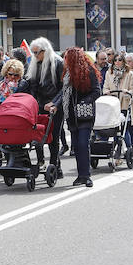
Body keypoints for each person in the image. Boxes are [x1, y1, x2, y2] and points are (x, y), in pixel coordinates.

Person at [47, 47, 101, 186]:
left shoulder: (89, 71)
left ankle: (86, 176)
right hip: (71, 114)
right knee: (76, 145)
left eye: (66, 58)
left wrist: (84, 102)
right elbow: (63, 93)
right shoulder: (67, 74)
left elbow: (96, 91)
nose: (64, 60)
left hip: (85, 113)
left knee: (83, 144)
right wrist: (54, 104)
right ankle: (81, 175)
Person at [17, 38, 64, 169]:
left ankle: (55, 165)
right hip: (40, 104)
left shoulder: (58, 63)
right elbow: (33, 86)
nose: (35, 55)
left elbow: (64, 87)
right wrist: (32, 103)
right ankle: (41, 161)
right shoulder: (35, 63)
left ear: (45, 50)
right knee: (37, 135)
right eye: (33, 53)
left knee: (54, 137)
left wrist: (55, 103)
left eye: (37, 52)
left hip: (55, 105)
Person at [104, 54, 133, 159]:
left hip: (124, 104)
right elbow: (105, 87)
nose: (117, 62)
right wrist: (107, 92)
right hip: (113, 104)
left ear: (123, 61)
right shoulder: (109, 73)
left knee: (124, 128)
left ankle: (128, 148)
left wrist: (127, 92)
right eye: (115, 60)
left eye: (120, 60)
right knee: (115, 128)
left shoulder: (129, 74)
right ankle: (117, 150)